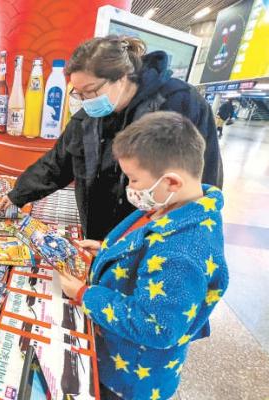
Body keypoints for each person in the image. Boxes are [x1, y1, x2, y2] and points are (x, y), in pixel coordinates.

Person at [60, 111, 228, 400]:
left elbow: (158, 326)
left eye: (134, 179)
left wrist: (84, 294)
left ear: (172, 182)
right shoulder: (174, 204)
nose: (130, 188)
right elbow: (146, 245)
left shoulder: (184, 251)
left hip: (128, 378)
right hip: (113, 348)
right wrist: (109, 250)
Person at [0, 35, 223, 240]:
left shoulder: (178, 103)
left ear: (122, 77)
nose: (86, 100)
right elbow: (57, 163)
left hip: (154, 238)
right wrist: (18, 194)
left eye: (91, 90)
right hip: (100, 236)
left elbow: (202, 177)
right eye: (79, 93)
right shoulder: (87, 117)